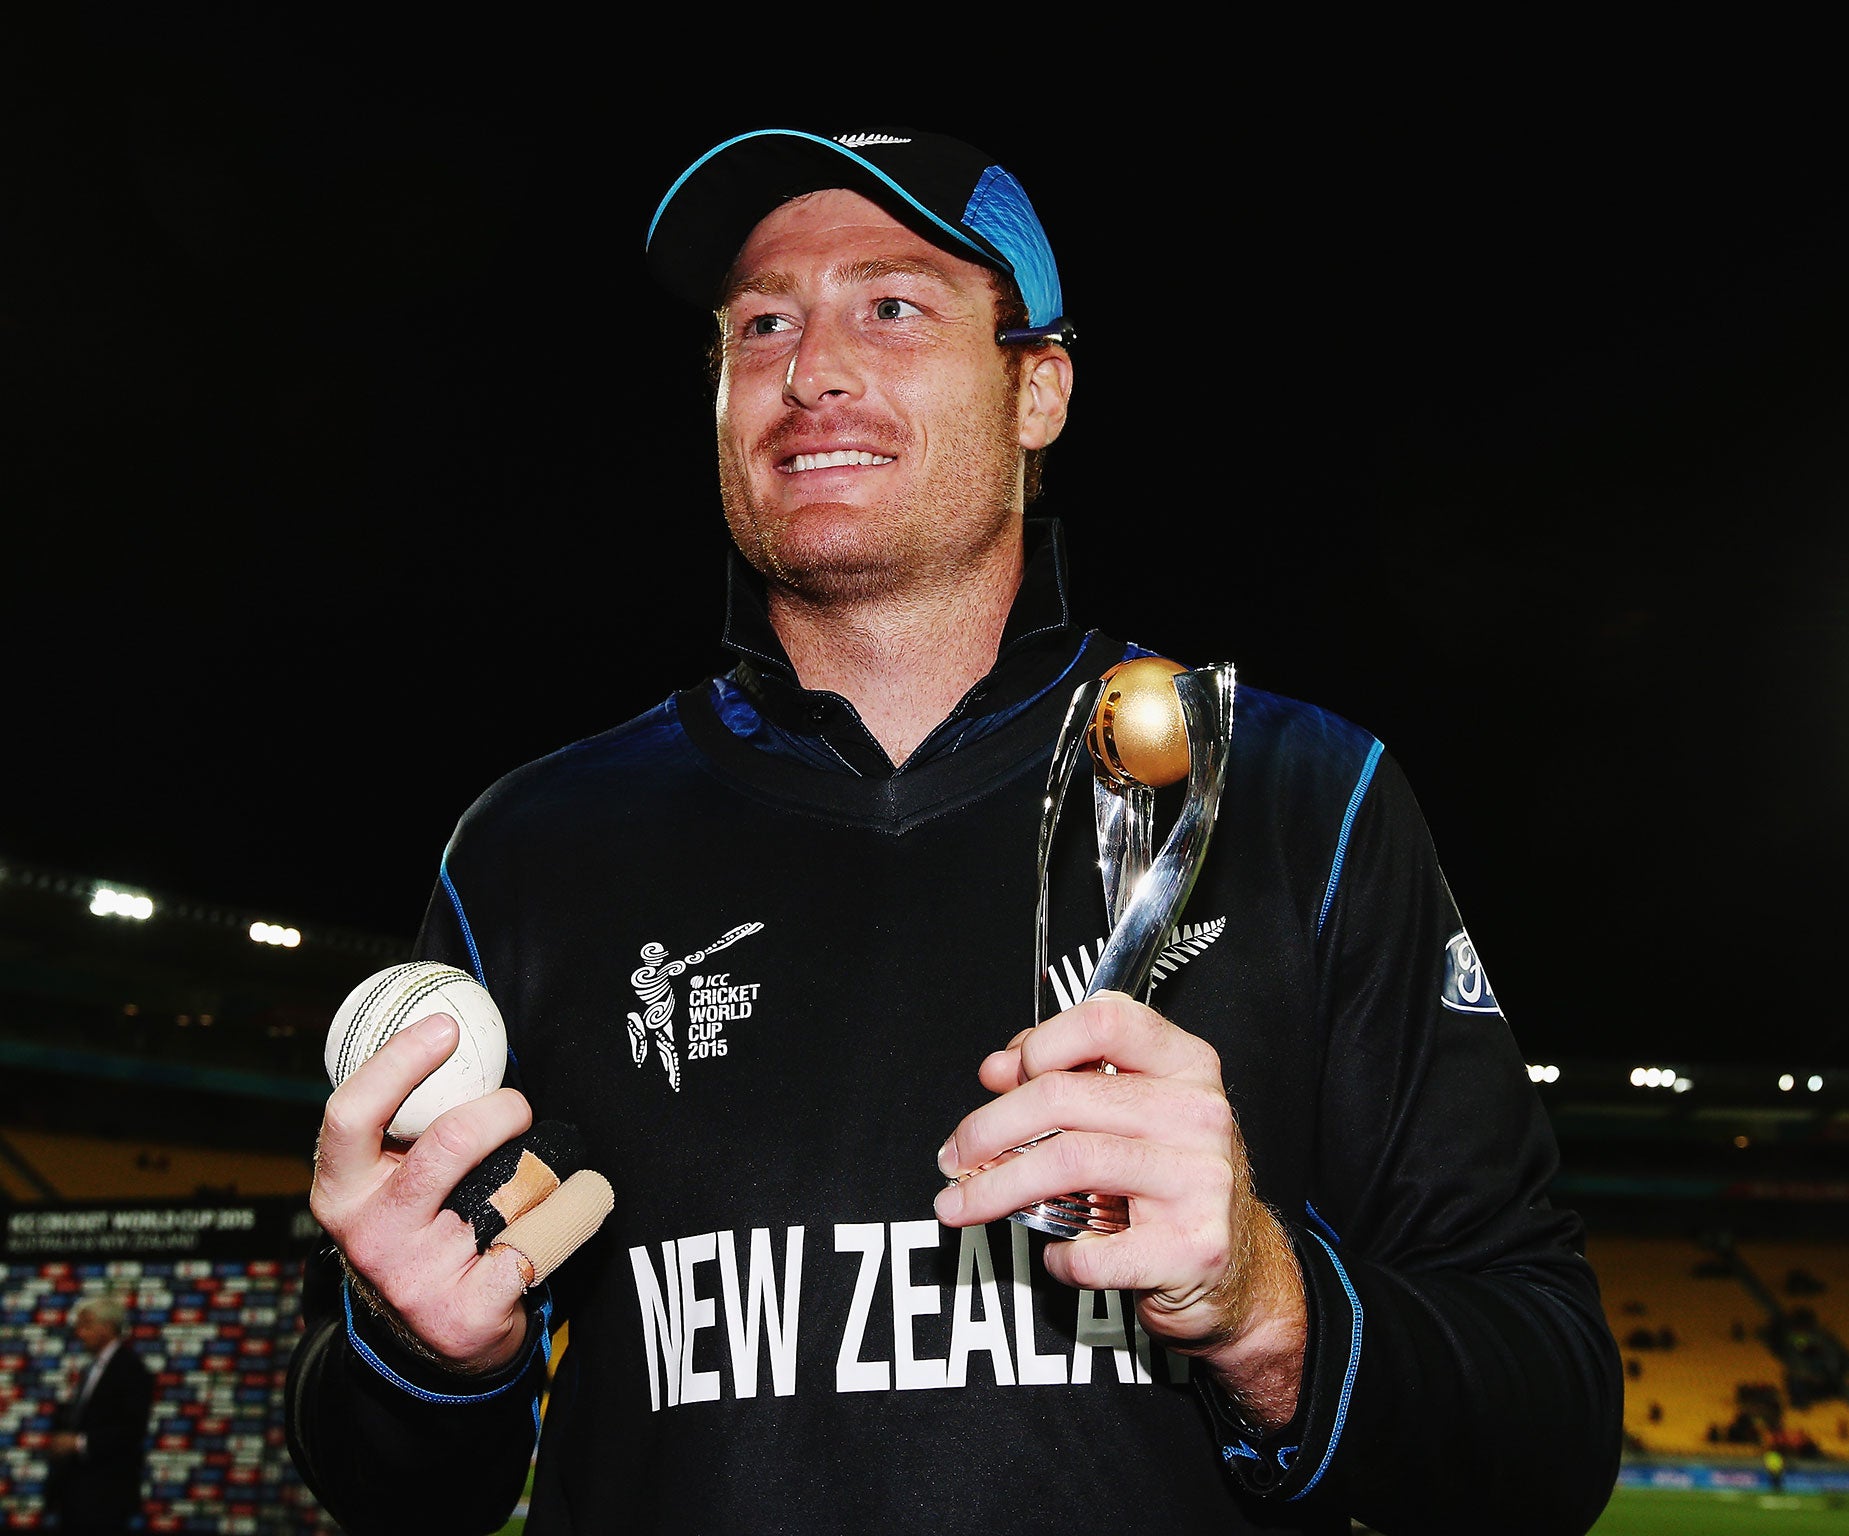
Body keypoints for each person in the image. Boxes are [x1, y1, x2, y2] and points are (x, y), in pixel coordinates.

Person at [283, 124, 1623, 1534]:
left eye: (893, 305)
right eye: (760, 325)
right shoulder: (533, 845)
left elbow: (1548, 1435)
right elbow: (394, 1481)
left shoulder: (1298, 798)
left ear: (1038, 388)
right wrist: (416, 1358)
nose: (812, 371)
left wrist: (1268, 1311)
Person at [44, 1294, 153, 1536]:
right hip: (76, 1494)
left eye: (86, 1326)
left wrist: (79, 1443)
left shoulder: (130, 1369)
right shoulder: (89, 1368)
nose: (79, 1333)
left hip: (106, 1495)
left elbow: (131, 1431)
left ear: (107, 1328)